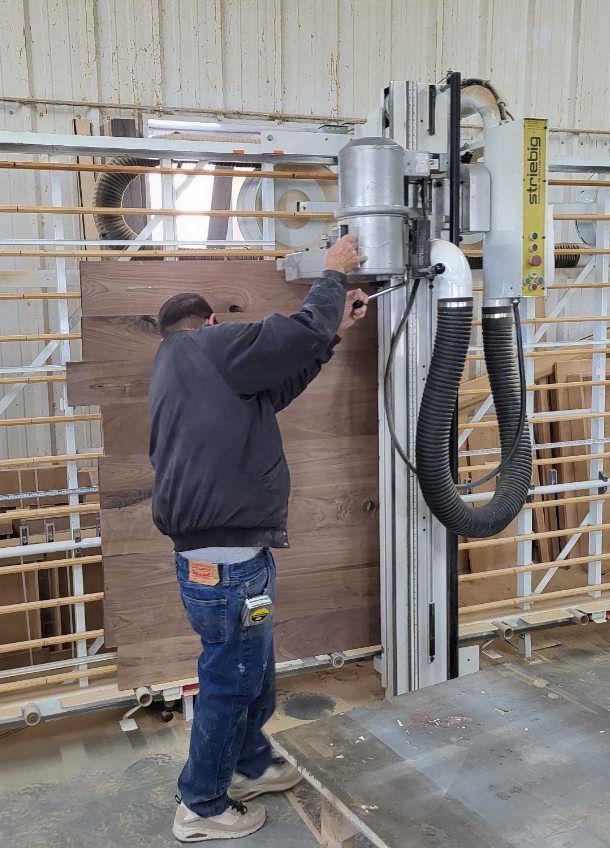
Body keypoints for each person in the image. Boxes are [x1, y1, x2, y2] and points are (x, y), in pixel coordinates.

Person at [148, 235, 368, 842]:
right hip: (227, 567)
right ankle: (201, 805)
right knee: (232, 678)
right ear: (213, 325)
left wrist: (331, 332)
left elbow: (275, 385)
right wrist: (332, 276)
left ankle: (246, 764)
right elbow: (288, 338)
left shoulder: (178, 366)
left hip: (223, 561)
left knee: (252, 669)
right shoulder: (209, 347)